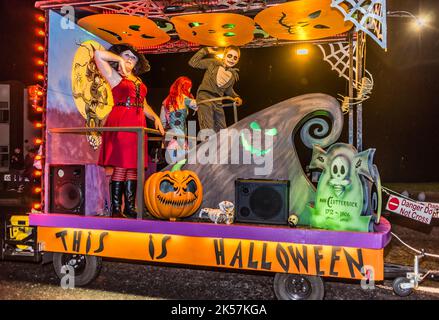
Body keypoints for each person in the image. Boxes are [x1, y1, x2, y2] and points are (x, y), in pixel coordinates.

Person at [94, 43, 164, 218]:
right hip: (122, 119)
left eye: (133, 57)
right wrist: (118, 60)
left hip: (138, 121)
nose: (130, 59)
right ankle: (116, 209)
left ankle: (129, 207)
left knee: (133, 165)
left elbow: (144, 104)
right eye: (127, 55)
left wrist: (155, 117)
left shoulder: (138, 81)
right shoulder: (114, 76)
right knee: (121, 164)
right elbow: (98, 55)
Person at [189, 46, 243, 133]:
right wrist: (206, 50)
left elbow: (228, 90)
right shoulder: (213, 63)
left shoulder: (232, 76)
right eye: (229, 56)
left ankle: (221, 146)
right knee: (208, 128)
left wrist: (236, 97)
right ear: (224, 55)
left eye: (235, 58)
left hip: (218, 101)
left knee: (222, 130)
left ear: (237, 60)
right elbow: (193, 62)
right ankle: (209, 145)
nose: (232, 59)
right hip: (205, 98)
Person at [160, 76, 198, 164]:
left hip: (170, 138)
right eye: (189, 88)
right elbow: (198, 105)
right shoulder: (184, 98)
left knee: (174, 165)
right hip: (180, 139)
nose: (189, 90)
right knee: (181, 166)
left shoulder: (166, 101)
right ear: (185, 87)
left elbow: (163, 122)